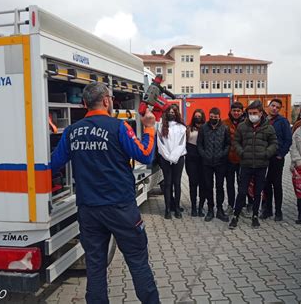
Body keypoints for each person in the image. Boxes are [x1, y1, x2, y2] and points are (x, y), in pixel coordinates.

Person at [51, 82, 159, 304]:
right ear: (107, 101)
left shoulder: (72, 131)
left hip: (88, 209)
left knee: (95, 266)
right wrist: (149, 128)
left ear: (84, 104)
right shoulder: (119, 127)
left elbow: (54, 164)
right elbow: (145, 155)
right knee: (137, 261)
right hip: (120, 208)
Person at [229, 100, 277, 229]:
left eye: (254, 113)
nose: (252, 115)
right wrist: (241, 152)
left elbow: (274, 143)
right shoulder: (242, 127)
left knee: (257, 192)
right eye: (250, 113)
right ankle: (235, 216)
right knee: (242, 191)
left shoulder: (268, 128)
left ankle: (255, 216)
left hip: (261, 165)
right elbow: (236, 142)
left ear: (261, 113)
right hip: (246, 164)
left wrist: (267, 153)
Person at [261, 99, 292, 222]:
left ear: (280, 110)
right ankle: (267, 210)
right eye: (273, 106)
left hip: (277, 157)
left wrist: (281, 154)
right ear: (268, 106)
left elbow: (288, 139)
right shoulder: (263, 121)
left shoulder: (282, 122)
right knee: (266, 184)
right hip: (264, 157)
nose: (274, 108)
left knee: (277, 184)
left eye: (277, 107)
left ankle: (278, 211)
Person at [197, 107, 230, 222]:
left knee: (220, 187)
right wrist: (204, 154)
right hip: (206, 163)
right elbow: (199, 144)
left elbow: (228, 144)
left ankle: (220, 210)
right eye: (211, 117)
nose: (213, 119)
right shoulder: (203, 128)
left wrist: (222, 154)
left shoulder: (224, 128)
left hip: (220, 163)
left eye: (215, 117)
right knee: (208, 187)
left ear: (219, 117)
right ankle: (210, 209)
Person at [157, 105, 187, 219]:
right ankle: (168, 209)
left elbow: (181, 144)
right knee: (167, 184)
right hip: (165, 158)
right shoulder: (160, 127)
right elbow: (160, 144)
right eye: (169, 112)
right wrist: (168, 157)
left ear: (177, 113)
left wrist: (173, 157)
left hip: (178, 158)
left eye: (173, 112)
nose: (171, 114)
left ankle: (177, 208)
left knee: (177, 183)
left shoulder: (182, 128)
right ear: (166, 113)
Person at [222, 102, 245, 216]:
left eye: (238, 111)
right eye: (234, 111)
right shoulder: (224, 123)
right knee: (230, 184)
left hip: (243, 160)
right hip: (229, 159)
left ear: (242, 111)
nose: (236, 113)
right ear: (230, 111)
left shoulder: (247, 123)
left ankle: (242, 206)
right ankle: (231, 205)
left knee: (243, 184)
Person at [185, 109, 207, 217]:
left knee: (203, 185)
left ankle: (201, 207)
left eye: (199, 116)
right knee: (193, 184)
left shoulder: (206, 128)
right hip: (191, 159)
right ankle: (193, 207)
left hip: (203, 160)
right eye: (196, 116)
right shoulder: (189, 129)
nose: (197, 117)